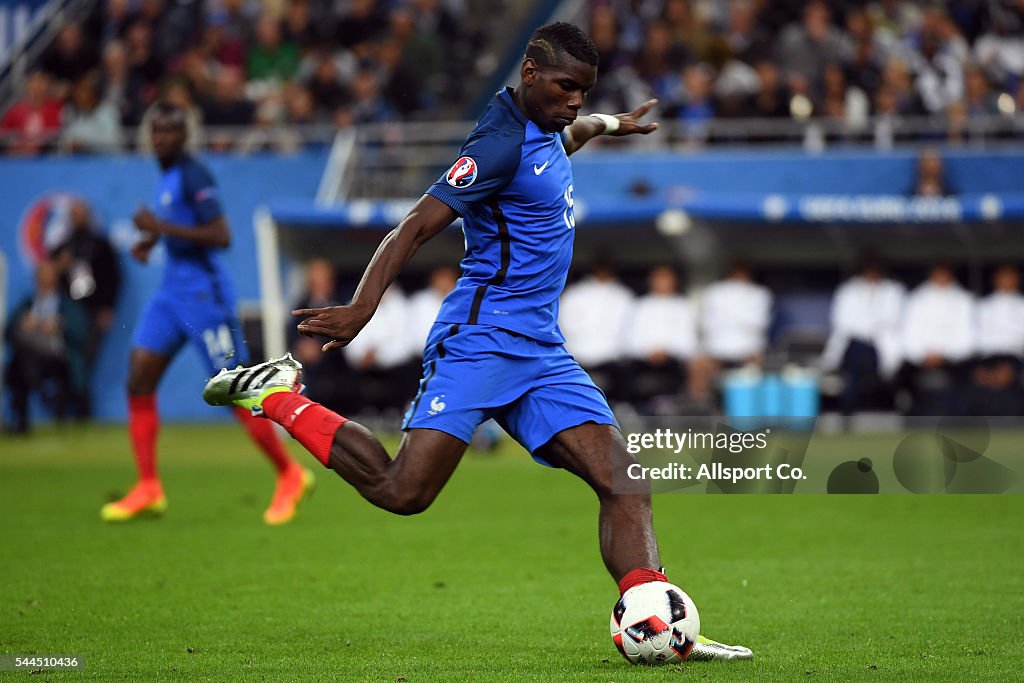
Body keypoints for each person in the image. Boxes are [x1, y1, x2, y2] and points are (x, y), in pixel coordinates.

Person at [204, 23, 751, 661]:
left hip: (540, 350)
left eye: (583, 91)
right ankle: (276, 395)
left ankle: (661, 626)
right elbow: (414, 224)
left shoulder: (545, 126)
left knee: (623, 480)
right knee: (403, 492)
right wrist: (360, 308)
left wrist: (605, 123)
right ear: (528, 71)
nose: (574, 100)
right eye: (567, 88)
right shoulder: (493, 145)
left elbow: (563, 140)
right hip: (481, 340)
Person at [101, 102, 313, 525]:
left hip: (203, 298)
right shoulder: (169, 177)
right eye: (156, 131)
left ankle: (290, 473)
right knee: (139, 378)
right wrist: (152, 242)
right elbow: (183, 231)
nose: (160, 138)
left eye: (169, 131)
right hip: (170, 295)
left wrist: (158, 230)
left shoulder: (195, 174)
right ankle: (149, 487)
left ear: (184, 136)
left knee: (236, 389)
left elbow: (220, 235)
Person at [50, 199, 122, 417]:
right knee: (67, 358)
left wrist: (108, 307)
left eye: (81, 214)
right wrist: (58, 267)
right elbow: (47, 276)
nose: (78, 219)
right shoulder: (63, 246)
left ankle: (80, 407)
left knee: (86, 358)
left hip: (94, 309)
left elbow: (114, 278)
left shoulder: (101, 245)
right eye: (74, 215)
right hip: (70, 311)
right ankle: (66, 406)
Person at [4, 260, 89, 434]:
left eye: (48, 274)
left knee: (21, 361)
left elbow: (81, 332)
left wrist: (60, 325)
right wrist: (22, 323)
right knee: (23, 355)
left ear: (56, 278)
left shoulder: (66, 303)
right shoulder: (28, 303)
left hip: (57, 357)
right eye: (41, 274)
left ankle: (38, 388)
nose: (44, 278)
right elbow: (7, 332)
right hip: (29, 356)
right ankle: (38, 390)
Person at [820, 254, 905, 416]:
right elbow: (842, 320)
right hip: (856, 341)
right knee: (852, 377)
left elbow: (893, 318)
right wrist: (870, 325)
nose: (872, 274)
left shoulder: (892, 290)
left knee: (891, 376)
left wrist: (875, 327)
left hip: (882, 342)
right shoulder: (848, 290)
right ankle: (848, 415)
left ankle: (889, 411)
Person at [898, 264, 975, 416]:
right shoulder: (917, 299)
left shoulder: (964, 300)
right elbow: (908, 332)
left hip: (953, 359)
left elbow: (968, 335)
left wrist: (946, 355)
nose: (942, 278)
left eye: (945, 274)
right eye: (938, 274)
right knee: (901, 375)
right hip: (921, 359)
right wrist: (922, 355)